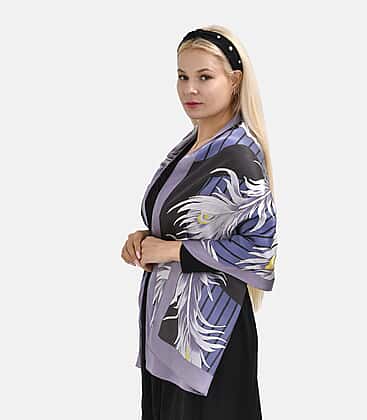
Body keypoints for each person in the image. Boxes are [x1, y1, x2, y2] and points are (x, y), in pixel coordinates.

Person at [121, 25, 278, 419]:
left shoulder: (238, 155)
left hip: (210, 338)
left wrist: (172, 251)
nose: (190, 89)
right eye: (182, 76)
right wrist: (144, 238)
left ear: (234, 81)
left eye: (204, 77)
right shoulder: (191, 148)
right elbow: (188, 223)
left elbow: (261, 246)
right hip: (169, 331)